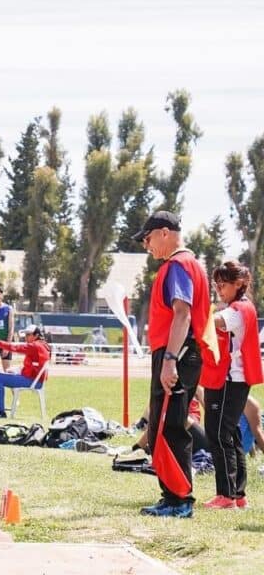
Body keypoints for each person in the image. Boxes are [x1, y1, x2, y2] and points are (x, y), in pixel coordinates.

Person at [133, 210, 214, 519]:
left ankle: (180, 501)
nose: (146, 245)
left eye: (148, 238)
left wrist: (169, 360)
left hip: (176, 353)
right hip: (178, 352)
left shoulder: (178, 265)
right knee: (163, 426)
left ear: (165, 233)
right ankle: (172, 497)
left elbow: (183, 313)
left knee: (169, 428)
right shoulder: (188, 265)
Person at [200, 260, 263, 510]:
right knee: (231, 434)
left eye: (223, 285)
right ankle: (237, 494)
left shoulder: (237, 310)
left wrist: (195, 311)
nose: (219, 289)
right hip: (233, 380)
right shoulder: (242, 307)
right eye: (216, 285)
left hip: (229, 380)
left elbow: (213, 323)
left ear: (239, 284)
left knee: (219, 434)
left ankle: (226, 494)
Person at [0, 324, 50, 418]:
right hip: (36, 380)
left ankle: (0, 411)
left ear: (36, 336)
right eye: (25, 335)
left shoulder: (34, 346)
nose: (26, 337)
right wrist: (17, 370)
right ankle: (0, 410)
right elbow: (33, 366)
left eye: (28, 335)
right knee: (0, 376)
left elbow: (14, 348)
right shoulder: (42, 345)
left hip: (32, 381)